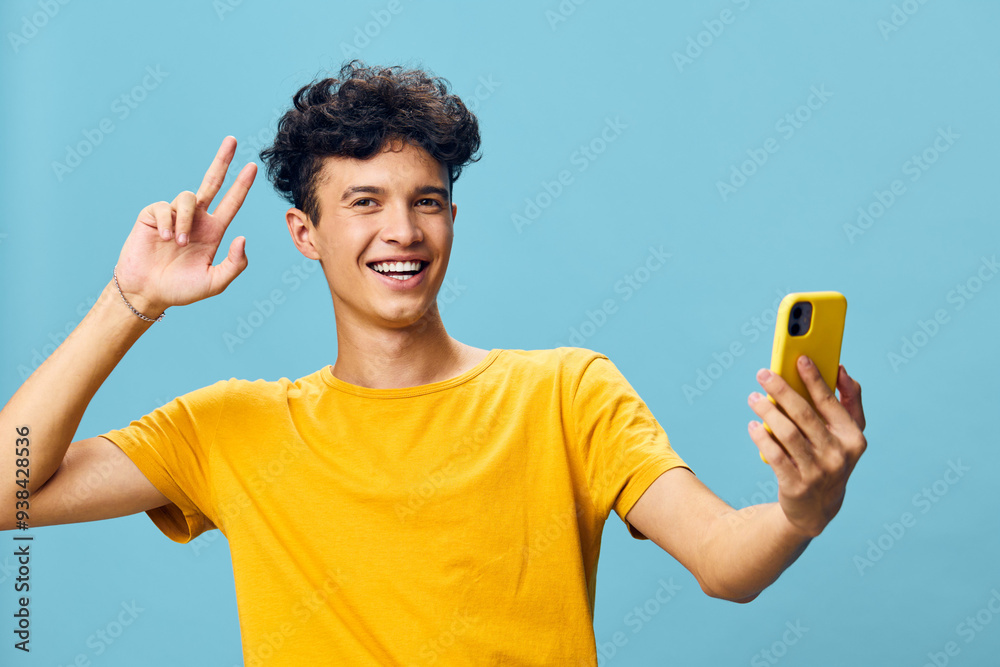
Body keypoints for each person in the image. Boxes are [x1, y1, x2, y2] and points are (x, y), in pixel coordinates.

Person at [0, 60, 867, 666]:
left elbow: (722, 559)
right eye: (364, 202)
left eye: (427, 201)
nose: (403, 232)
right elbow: (12, 488)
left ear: (452, 217)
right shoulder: (231, 425)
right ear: (305, 233)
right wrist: (130, 301)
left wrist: (803, 510)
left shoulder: (568, 393)